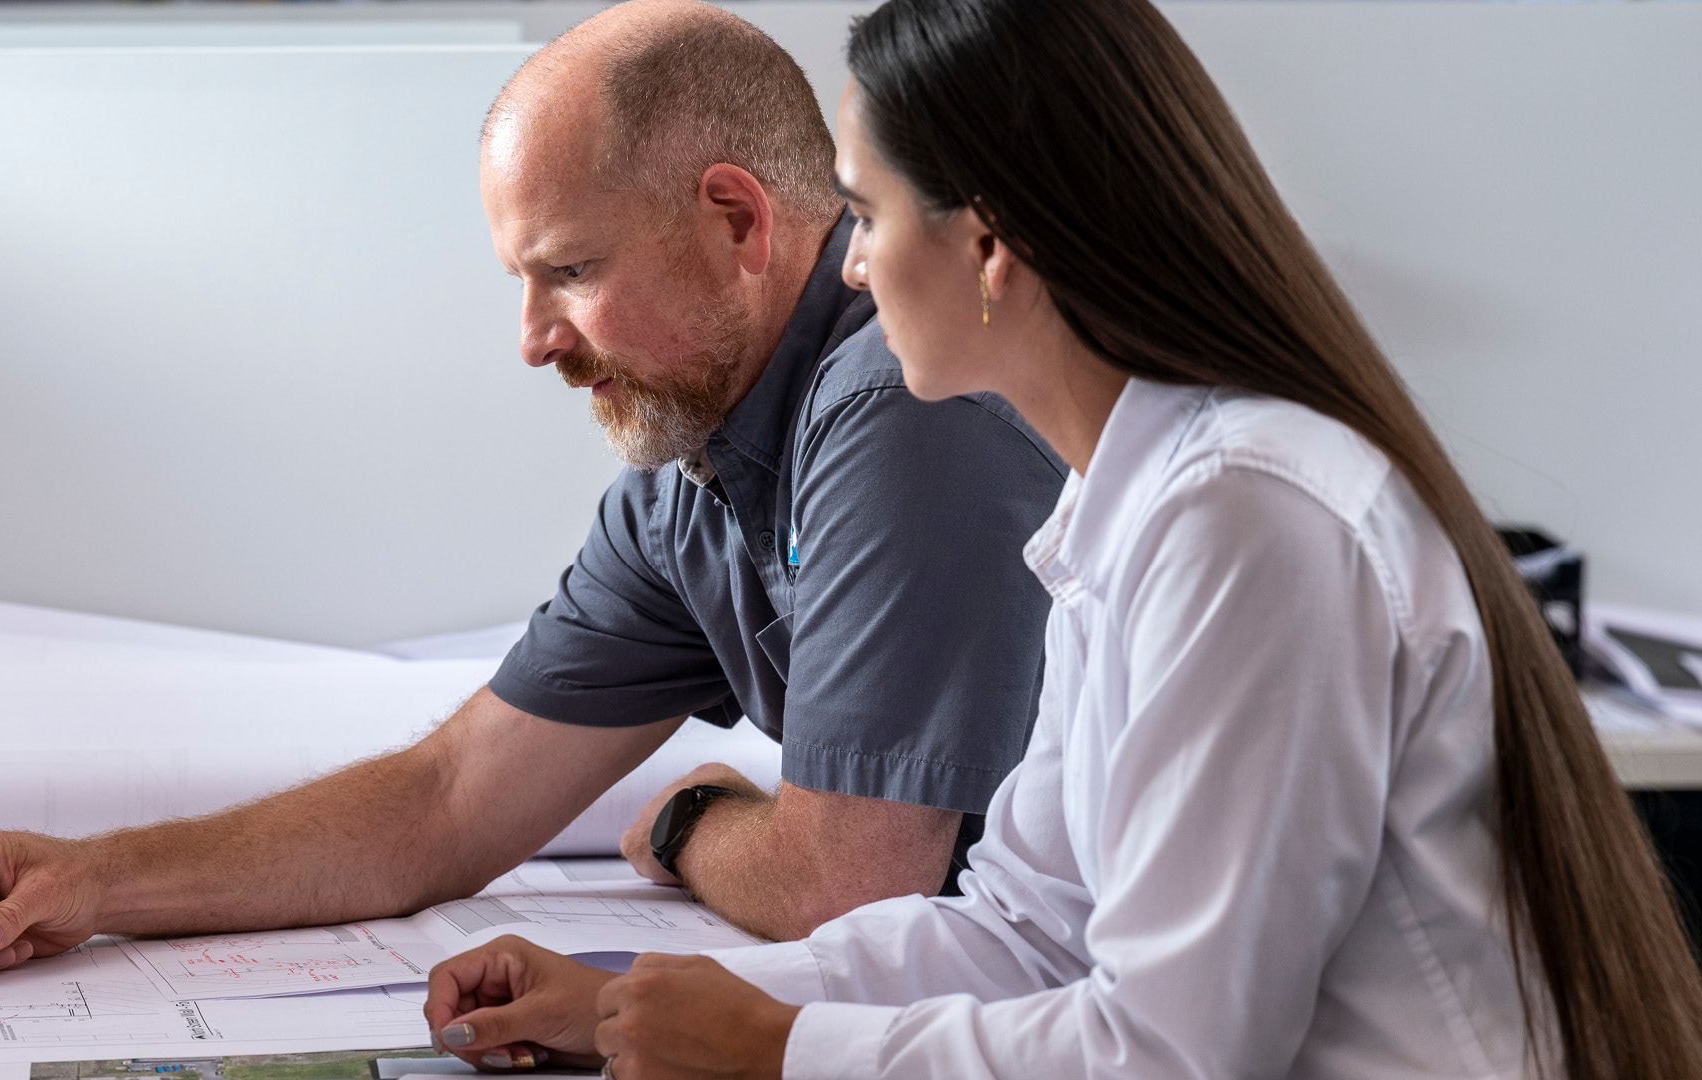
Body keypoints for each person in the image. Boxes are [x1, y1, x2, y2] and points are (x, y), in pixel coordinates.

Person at [418, 1, 1702, 1077]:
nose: (851, 269)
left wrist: (777, 1048)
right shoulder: (1131, 506)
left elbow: (1172, 1053)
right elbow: (1028, 931)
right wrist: (629, 998)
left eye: (864, 215)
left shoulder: (1245, 519)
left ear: (990, 244)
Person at [0, 0, 1069, 982]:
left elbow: (847, 890)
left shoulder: (898, 393)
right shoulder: (686, 472)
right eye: (523, 280)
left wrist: (690, 821)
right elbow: (448, 801)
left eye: (570, 271)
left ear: (736, 222)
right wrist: (95, 877)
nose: (532, 341)